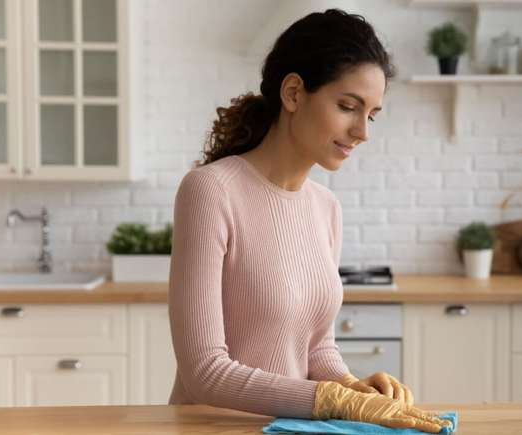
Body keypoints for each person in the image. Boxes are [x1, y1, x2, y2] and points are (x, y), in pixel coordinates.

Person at [167, 8, 452, 433]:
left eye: (371, 115)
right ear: (294, 93)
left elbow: (316, 348)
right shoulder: (210, 191)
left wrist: (352, 386)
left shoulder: (326, 208)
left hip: (291, 428)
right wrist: (333, 400)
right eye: (348, 107)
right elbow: (204, 370)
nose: (362, 132)